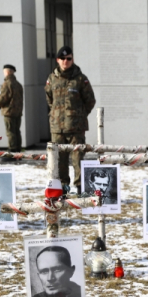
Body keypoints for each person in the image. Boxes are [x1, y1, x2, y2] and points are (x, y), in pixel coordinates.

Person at [45, 46, 96, 193]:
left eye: (69, 59)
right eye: (63, 59)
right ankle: (62, 187)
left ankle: (80, 187)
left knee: (78, 159)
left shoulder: (80, 79)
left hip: (76, 128)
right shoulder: (51, 79)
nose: (65, 61)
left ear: (72, 60)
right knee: (59, 160)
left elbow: (90, 100)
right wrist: (57, 114)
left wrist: (79, 115)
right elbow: (49, 99)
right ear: (57, 60)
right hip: (57, 128)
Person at [0, 64, 23, 154]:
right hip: (18, 112)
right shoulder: (18, 85)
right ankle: (18, 149)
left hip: (9, 112)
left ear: (7, 72)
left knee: (10, 132)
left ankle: (12, 150)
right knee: (17, 131)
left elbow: (3, 97)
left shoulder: (7, 84)